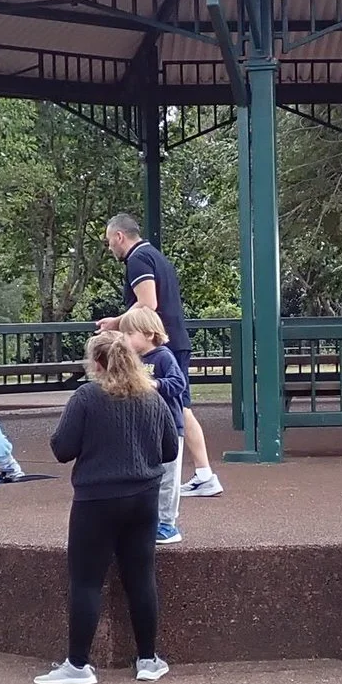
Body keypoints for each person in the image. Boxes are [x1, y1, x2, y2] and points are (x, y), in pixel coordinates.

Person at [37, 329, 182, 684]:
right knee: (141, 576)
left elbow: (62, 449)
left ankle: (78, 665)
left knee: (86, 581)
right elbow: (169, 452)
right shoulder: (152, 398)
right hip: (144, 498)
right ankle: (148, 659)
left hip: (96, 499)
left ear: (97, 363)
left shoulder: (86, 397)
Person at [98, 213, 222, 497]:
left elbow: (147, 303)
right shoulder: (155, 255)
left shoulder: (138, 259)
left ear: (120, 236)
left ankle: (189, 475)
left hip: (162, 344)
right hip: (174, 339)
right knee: (182, 408)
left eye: (109, 242)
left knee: (177, 409)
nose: (110, 248)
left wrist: (116, 323)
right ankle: (203, 474)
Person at [118, 305, 188, 543]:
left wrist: (157, 385)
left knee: (168, 477)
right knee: (145, 474)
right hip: (144, 427)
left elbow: (179, 383)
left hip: (168, 427)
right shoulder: (133, 359)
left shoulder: (164, 356)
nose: (125, 338)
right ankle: (146, 519)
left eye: (130, 334)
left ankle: (167, 524)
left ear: (149, 334)